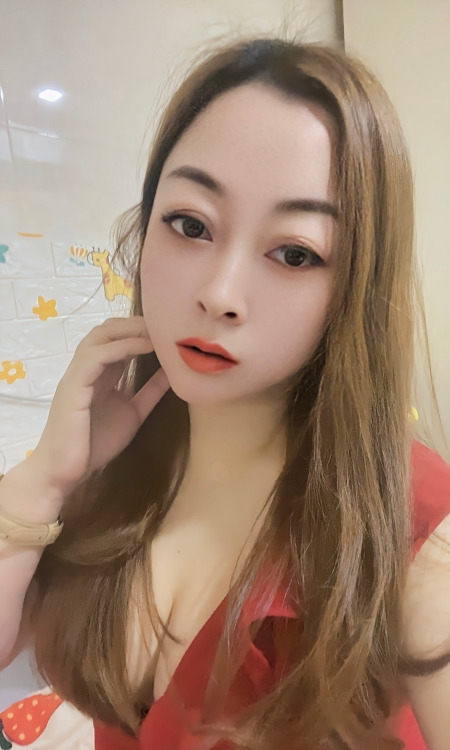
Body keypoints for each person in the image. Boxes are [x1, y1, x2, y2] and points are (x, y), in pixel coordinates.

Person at [0, 35, 449, 750]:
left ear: (355, 287)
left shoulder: (414, 525)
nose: (220, 294)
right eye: (190, 225)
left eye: (295, 253)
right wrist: (44, 479)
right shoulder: (115, 458)